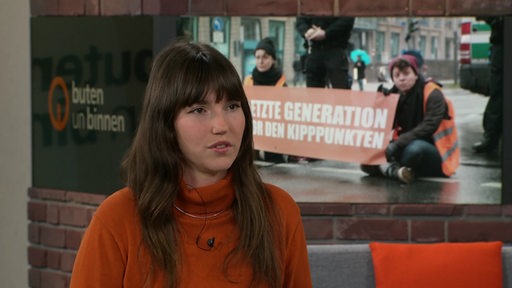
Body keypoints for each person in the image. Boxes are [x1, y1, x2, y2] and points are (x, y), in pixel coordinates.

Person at [70, 41, 312, 287]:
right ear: (165, 123)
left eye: (232, 106)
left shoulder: (279, 212)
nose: (222, 126)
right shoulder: (117, 220)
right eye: (199, 110)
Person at [361, 54, 460, 184]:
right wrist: (381, 103)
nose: (401, 79)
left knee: (414, 150)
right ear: (392, 79)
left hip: (437, 152)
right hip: (404, 145)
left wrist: (397, 144)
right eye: (397, 75)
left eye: (406, 74)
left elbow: (429, 126)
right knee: (365, 160)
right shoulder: (394, 94)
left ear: (416, 74)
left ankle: (388, 169)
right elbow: (381, 126)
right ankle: (397, 171)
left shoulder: (433, 92)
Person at [243, 37, 287, 163]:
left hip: (273, 131)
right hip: (251, 129)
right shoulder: (248, 80)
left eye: (265, 57)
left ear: (273, 59)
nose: (261, 61)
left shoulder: (281, 82)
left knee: (274, 163)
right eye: (257, 57)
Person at [472, 16, 504, 153]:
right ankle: (491, 137)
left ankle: (491, 138)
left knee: (497, 95)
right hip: (502, 42)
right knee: (497, 95)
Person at [296, 17, 355, 89]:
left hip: (335, 47)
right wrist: (307, 31)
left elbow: (347, 20)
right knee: (313, 90)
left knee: (340, 86)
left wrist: (326, 33)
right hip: (314, 47)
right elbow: (300, 19)